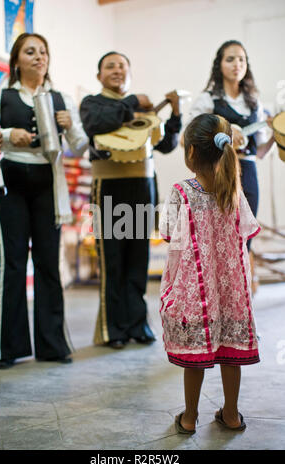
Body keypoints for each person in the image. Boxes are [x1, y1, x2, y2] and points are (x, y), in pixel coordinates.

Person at [0, 33, 88, 369]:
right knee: (15, 263)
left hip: (49, 183)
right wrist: (5, 135)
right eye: (30, 52)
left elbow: (81, 144)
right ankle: (10, 349)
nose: (38, 57)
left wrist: (70, 124)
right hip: (11, 184)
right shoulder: (1, 94)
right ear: (16, 60)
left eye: (43, 51)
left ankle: (52, 345)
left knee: (48, 263)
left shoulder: (60, 98)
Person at [160, 113, 261, 434]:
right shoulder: (233, 189)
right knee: (231, 353)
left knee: (196, 356)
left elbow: (166, 233)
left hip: (196, 292)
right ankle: (230, 415)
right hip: (231, 291)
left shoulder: (181, 191)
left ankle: (189, 418)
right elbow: (248, 231)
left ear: (190, 153)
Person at [80, 51, 182, 349]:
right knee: (112, 260)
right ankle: (113, 329)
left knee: (138, 258)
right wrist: (132, 102)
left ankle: (138, 325)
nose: (117, 70)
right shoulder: (93, 104)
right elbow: (96, 125)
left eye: (123, 66)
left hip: (142, 186)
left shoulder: (145, 110)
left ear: (130, 74)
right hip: (108, 187)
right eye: (110, 65)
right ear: (99, 75)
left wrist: (175, 114)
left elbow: (165, 145)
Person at [187, 40, 274, 294]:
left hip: (247, 175)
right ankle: (215, 310)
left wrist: (274, 135)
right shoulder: (208, 100)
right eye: (230, 59)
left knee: (244, 243)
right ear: (219, 64)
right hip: (216, 174)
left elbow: (258, 152)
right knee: (218, 244)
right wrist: (223, 131)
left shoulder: (254, 103)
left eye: (242, 59)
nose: (237, 64)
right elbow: (190, 136)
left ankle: (241, 311)